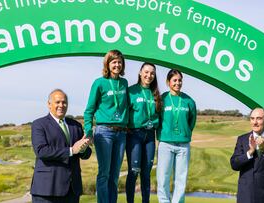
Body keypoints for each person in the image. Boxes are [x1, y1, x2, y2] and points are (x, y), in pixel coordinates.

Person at [30, 89, 92, 203]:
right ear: (49, 104)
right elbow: (42, 151)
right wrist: (71, 150)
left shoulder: (76, 125)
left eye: (64, 102)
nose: (61, 105)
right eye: (57, 102)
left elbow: (85, 153)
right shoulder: (39, 124)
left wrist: (83, 148)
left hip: (72, 189)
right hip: (47, 189)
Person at [83, 49, 129, 203]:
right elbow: (89, 110)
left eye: (119, 62)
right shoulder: (99, 83)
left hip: (121, 133)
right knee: (104, 173)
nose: (117, 65)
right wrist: (88, 131)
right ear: (108, 64)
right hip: (104, 133)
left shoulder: (124, 83)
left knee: (115, 175)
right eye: (114, 62)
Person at [156, 69, 197, 203]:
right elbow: (158, 119)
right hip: (166, 144)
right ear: (168, 82)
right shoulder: (162, 99)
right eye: (175, 80)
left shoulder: (189, 101)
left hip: (183, 145)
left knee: (181, 179)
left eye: (180, 80)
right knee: (163, 178)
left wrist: (184, 133)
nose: (178, 83)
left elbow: (192, 121)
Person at [230, 107, 264, 203]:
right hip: (247, 194)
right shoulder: (242, 139)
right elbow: (234, 164)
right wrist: (250, 152)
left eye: (259, 118)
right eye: (252, 118)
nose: (255, 122)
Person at [126, 62, 161, 203]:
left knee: (146, 174)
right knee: (134, 171)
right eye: (146, 72)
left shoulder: (156, 94)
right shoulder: (131, 91)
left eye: (152, 73)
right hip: (134, 135)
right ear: (140, 72)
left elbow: (159, 115)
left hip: (150, 136)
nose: (149, 75)